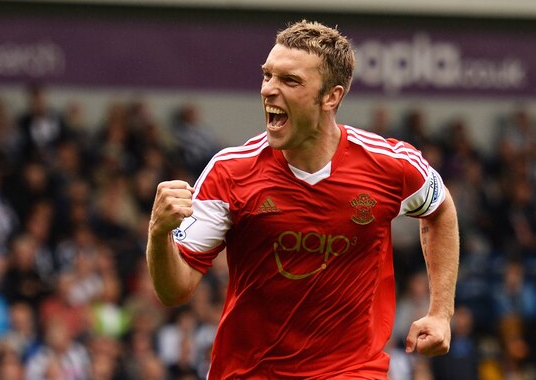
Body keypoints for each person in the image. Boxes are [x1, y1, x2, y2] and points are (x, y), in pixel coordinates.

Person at [146, 20, 460, 378]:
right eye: (267, 76)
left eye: (290, 80)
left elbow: (440, 210)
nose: (269, 90)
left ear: (331, 96)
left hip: (351, 370)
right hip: (249, 371)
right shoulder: (229, 173)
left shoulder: (390, 166)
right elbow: (175, 290)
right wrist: (159, 234)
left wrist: (441, 312)